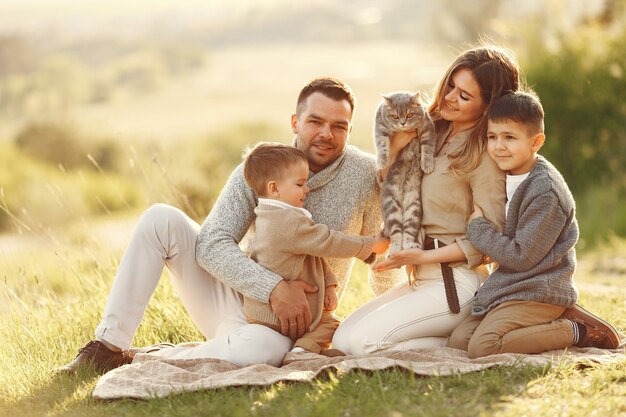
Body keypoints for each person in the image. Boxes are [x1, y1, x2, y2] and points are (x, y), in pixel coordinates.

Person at [58, 77, 402, 372]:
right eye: (315, 122)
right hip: (236, 301)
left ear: (350, 129)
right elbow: (211, 242)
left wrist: (392, 322)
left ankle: (150, 359)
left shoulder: (366, 175)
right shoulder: (261, 168)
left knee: (258, 353)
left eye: (338, 126)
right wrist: (272, 288)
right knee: (159, 219)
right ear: (295, 122)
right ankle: (107, 347)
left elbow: (379, 257)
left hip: (293, 326)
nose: (326, 133)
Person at [332, 44, 517, 355]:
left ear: (487, 108)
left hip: (456, 284)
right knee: (342, 340)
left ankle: (462, 342)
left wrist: (422, 257)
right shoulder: (429, 129)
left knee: (364, 344)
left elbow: (493, 241)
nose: (449, 98)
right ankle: (456, 338)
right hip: (420, 279)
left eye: (464, 96)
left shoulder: (484, 155)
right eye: (450, 86)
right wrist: (392, 153)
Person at [447, 91, 621, 357]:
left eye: (510, 137)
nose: (499, 146)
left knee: (484, 346)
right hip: (511, 286)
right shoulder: (502, 173)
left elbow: (521, 256)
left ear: (536, 142)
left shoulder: (546, 192)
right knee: (459, 340)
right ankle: (546, 327)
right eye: (492, 137)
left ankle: (574, 328)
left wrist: (478, 228)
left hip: (541, 289)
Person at [240, 142, 388, 363]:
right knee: (331, 324)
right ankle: (302, 354)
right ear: (274, 188)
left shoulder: (272, 214)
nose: (307, 189)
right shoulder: (286, 221)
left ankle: (304, 350)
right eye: (300, 184)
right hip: (275, 315)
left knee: (327, 322)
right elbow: (328, 241)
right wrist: (371, 245)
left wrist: (328, 284)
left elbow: (311, 254)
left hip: (265, 311)